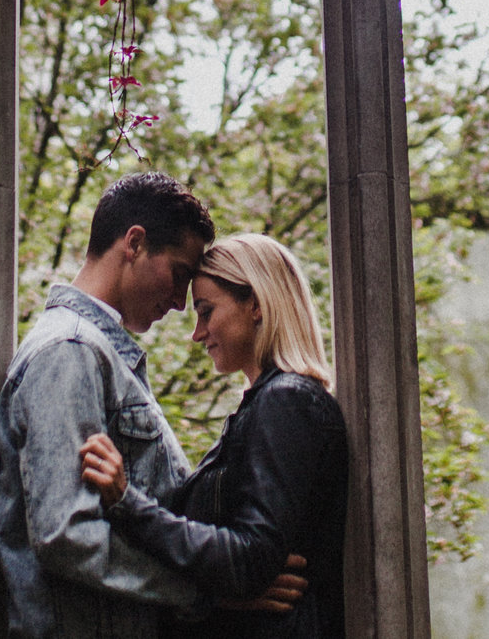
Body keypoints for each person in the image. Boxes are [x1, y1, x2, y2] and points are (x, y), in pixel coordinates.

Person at [0, 174, 310, 639]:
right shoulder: (70, 351)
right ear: (135, 244)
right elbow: (66, 535)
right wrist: (208, 594)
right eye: (181, 274)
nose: (183, 305)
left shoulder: (98, 354)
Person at [78, 234, 349, 639]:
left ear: (256, 304)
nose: (198, 333)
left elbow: (249, 560)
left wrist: (126, 501)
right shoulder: (266, 407)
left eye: (206, 312)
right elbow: (244, 569)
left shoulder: (286, 402)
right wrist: (216, 598)